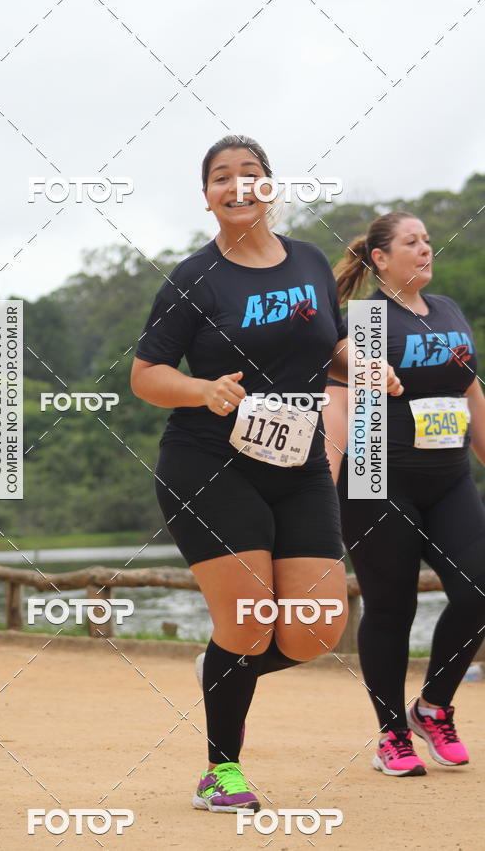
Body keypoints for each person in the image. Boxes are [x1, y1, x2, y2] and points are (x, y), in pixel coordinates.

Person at [130, 135, 403, 811]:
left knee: (315, 629)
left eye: (251, 174)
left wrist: (363, 367)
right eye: (222, 177)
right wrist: (202, 391)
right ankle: (220, 772)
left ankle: (223, 662)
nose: (238, 185)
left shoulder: (309, 261)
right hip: (209, 461)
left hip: (298, 459)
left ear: (270, 187)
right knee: (251, 618)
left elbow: (328, 347)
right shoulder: (193, 278)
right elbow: (146, 375)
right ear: (207, 198)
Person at [323, 211, 485, 777]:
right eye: (411, 242)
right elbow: (337, 390)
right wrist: (325, 487)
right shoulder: (365, 319)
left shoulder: (448, 312)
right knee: (392, 607)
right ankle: (392, 733)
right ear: (381, 259)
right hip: (377, 479)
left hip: (449, 480)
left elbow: (470, 394)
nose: (425, 248)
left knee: (478, 589)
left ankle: (433, 706)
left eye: (428, 240)